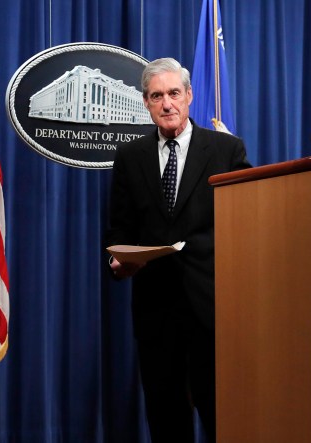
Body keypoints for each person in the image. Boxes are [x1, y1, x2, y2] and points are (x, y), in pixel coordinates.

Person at [106, 57, 251, 442]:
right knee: (166, 420)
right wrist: (118, 262)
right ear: (146, 103)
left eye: (174, 93)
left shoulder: (226, 150)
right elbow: (119, 228)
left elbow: (247, 225)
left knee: (224, 417)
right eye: (157, 96)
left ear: (189, 96)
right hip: (156, 311)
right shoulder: (129, 158)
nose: (167, 104)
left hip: (212, 310)